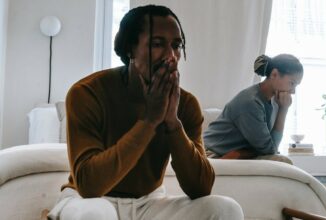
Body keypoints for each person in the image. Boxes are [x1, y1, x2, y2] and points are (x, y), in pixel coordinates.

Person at [48, 5, 243, 220]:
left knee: (226, 209)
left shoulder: (186, 103)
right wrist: (149, 121)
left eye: (177, 46)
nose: (171, 56)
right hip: (89, 201)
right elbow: (89, 186)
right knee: (93, 215)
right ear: (130, 48)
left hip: (149, 203)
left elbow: (201, 188)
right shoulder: (87, 93)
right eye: (157, 44)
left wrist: (172, 122)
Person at [203, 54, 304, 164]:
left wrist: (243, 153)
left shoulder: (275, 101)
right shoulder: (251, 102)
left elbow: (271, 147)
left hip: (232, 154)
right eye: (292, 83)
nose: (293, 91)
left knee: (279, 161)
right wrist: (284, 110)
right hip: (210, 154)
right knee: (281, 161)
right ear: (274, 74)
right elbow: (269, 149)